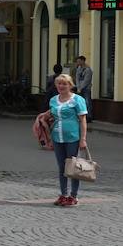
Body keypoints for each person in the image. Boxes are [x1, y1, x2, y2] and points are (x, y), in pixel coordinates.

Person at [48, 73, 88, 206]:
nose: (61, 86)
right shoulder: (53, 100)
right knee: (61, 167)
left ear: (70, 85)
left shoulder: (77, 99)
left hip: (72, 137)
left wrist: (83, 139)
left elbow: (83, 120)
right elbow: (52, 115)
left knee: (73, 167)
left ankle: (73, 196)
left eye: (64, 84)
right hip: (57, 137)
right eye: (59, 83)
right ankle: (63, 194)